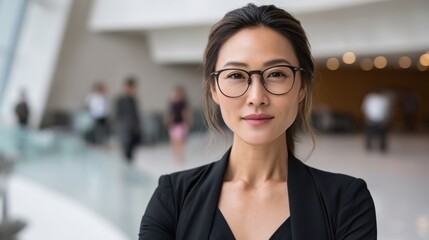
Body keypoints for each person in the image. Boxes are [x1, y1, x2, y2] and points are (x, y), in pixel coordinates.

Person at [139, 4, 377, 239]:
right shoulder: (172, 199)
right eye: (235, 75)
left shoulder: (347, 202)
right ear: (214, 89)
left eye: (276, 74)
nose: (256, 98)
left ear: (302, 87)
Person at [115, 77, 142, 162]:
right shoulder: (120, 100)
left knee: (131, 154)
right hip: (125, 131)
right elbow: (118, 116)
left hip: (134, 131)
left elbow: (136, 115)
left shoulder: (133, 100)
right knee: (125, 154)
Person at [164, 86, 192, 164]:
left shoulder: (183, 103)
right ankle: (176, 155)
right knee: (174, 141)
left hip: (181, 123)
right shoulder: (171, 103)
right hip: (173, 124)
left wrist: (188, 121)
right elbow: (169, 113)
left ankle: (180, 155)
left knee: (180, 141)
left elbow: (186, 113)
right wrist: (167, 120)